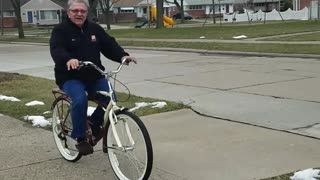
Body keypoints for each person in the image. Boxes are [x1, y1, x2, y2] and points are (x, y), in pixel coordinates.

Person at [50, 0, 136, 155]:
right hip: (70, 77)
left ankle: (94, 125)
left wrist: (123, 56)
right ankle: (80, 137)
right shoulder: (60, 30)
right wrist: (68, 59)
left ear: (86, 13)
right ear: (68, 13)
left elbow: (109, 45)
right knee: (80, 99)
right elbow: (57, 49)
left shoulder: (94, 29)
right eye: (75, 11)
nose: (79, 14)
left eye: (82, 11)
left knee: (110, 99)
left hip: (94, 75)